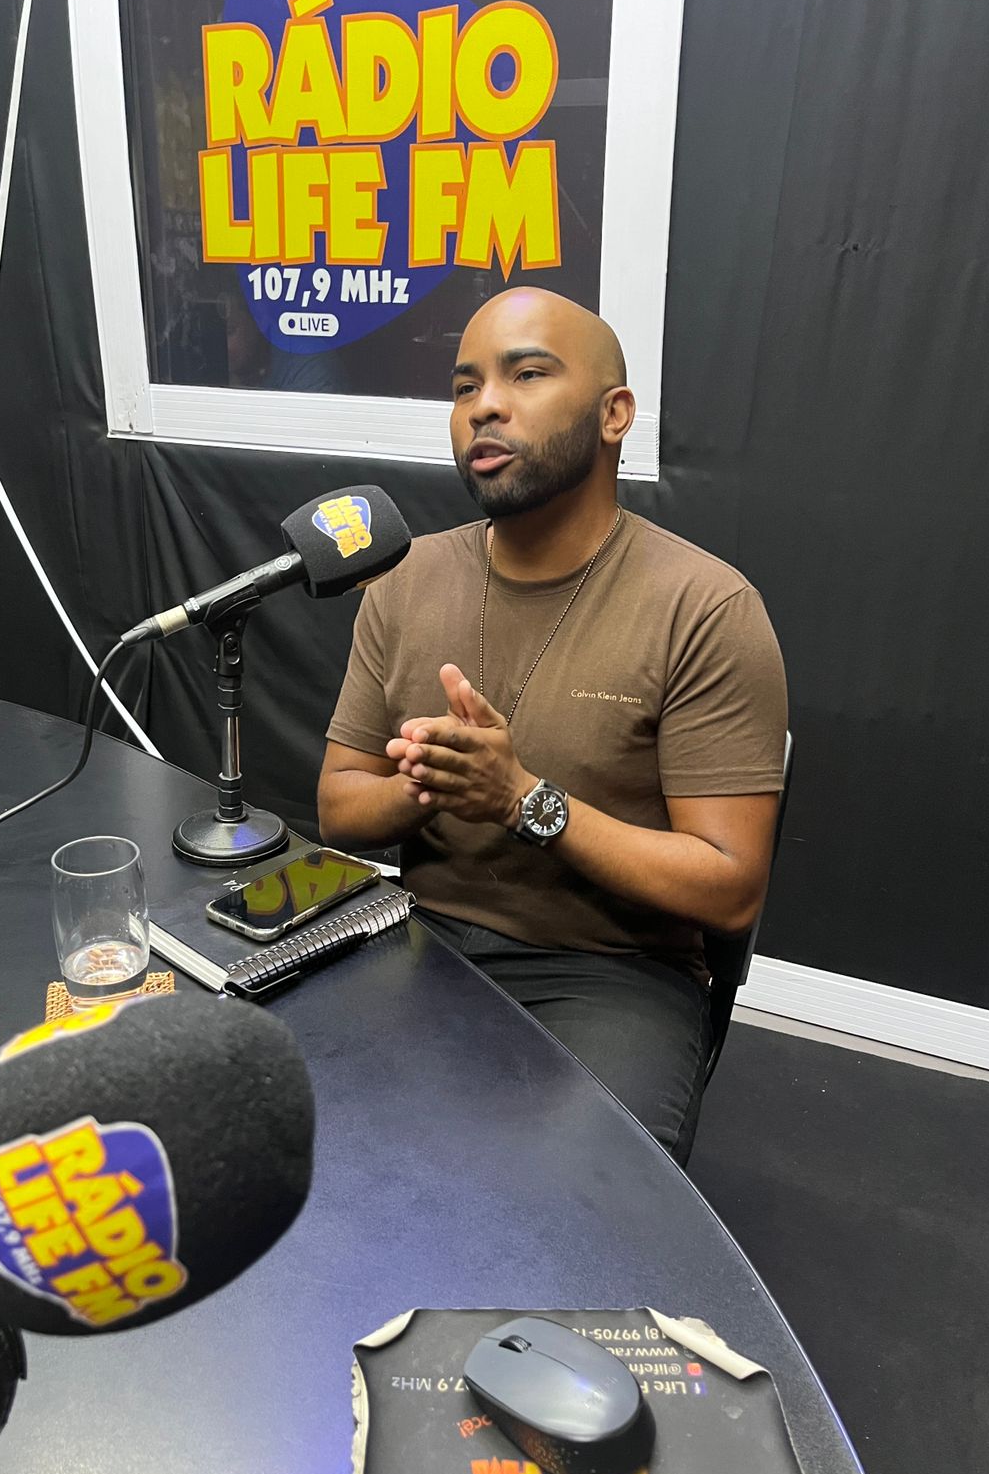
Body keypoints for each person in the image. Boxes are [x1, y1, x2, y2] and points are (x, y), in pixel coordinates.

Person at [317, 288, 787, 1163]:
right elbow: (340, 808)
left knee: (581, 1201)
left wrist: (522, 800)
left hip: (609, 972)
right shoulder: (404, 580)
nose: (484, 406)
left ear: (615, 415)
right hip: (420, 934)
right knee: (291, 1128)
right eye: (464, 387)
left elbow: (729, 888)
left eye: (526, 374)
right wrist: (430, 785)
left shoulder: (706, 607)